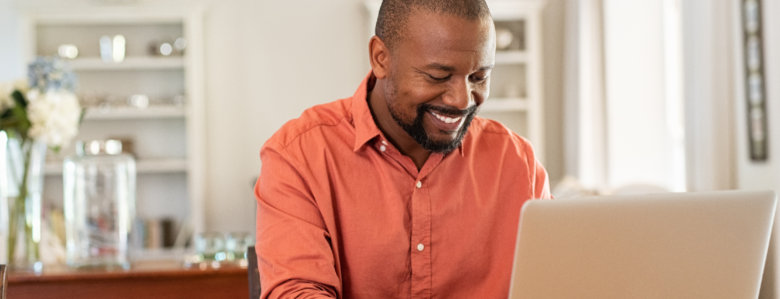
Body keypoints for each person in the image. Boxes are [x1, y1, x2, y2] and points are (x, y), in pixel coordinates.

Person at [254, 0, 551, 298]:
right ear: (380, 58)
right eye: (438, 77)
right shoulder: (298, 156)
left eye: (478, 78)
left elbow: (556, 281)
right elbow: (296, 292)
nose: (462, 100)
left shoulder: (518, 162)